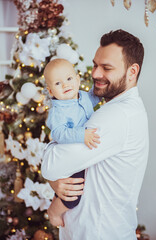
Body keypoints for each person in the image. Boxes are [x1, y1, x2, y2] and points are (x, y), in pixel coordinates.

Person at [42, 29, 149, 240]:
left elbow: (51, 166)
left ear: (132, 71)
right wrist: (56, 181)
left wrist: (53, 173)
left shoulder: (117, 115)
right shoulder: (116, 107)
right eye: (96, 65)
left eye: (106, 68)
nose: (95, 74)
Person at [42, 58, 101, 227]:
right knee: (73, 193)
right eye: (58, 83)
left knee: (71, 187)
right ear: (51, 90)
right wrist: (81, 134)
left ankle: (56, 201)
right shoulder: (57, 112)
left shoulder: (85, 97)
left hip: (82, 155)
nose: (66, 85)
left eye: (69, 79)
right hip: (68, 159)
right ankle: (54, 211)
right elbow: (59, 133)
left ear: (77, 80)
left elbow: (96, 96)